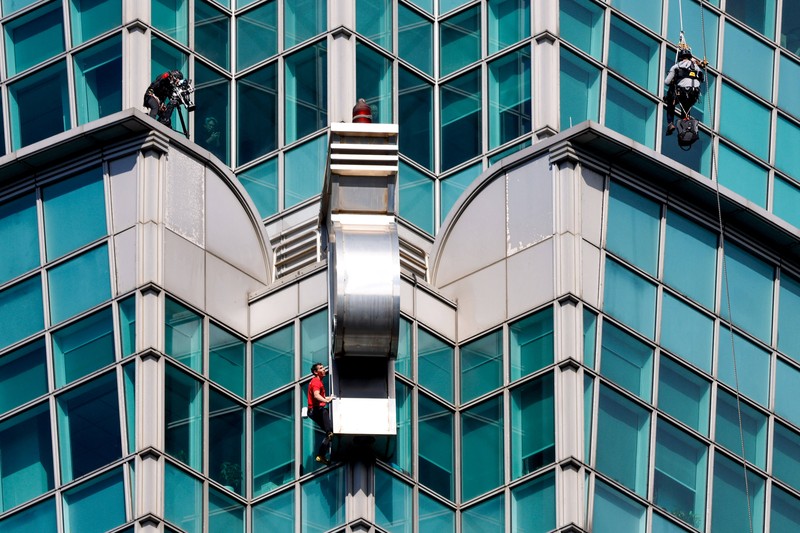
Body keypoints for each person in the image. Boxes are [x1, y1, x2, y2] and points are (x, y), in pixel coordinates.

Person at [664, 47, 706, 136]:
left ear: (680, 58)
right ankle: (686, 127)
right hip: (694, 94)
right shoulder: (697, 67)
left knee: (670, 102)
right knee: (686, 108)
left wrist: (675, 80)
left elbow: (666, 82)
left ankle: (670, 123)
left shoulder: (676, 66)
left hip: (682, 92)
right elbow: (703, 79)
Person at [307, 362, 334, 465]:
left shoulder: (316, 381)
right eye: (321, 368)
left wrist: (328, 398)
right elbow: (316, 395)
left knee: (330, 433)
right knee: (329, 430)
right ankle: (322, 454)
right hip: (317, 410)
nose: (324, 369)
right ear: (316, 372)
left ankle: (320, 455)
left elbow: (319, 397)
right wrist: (326, 400)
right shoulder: (316, 382)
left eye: (323, 368)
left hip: (315, 410)